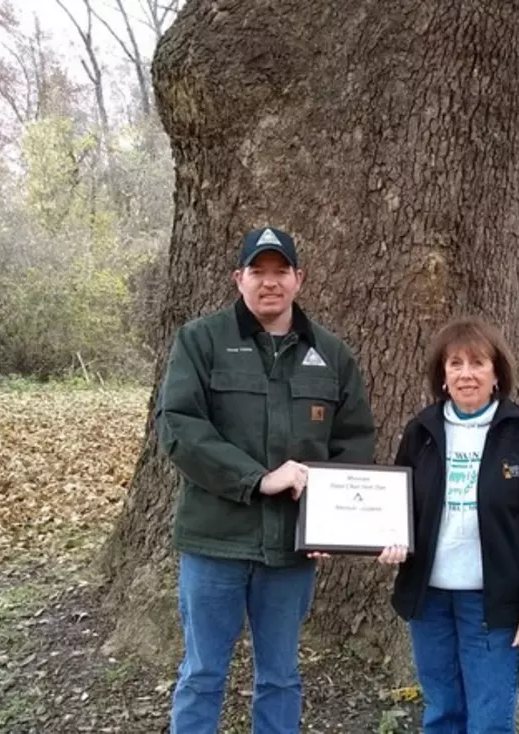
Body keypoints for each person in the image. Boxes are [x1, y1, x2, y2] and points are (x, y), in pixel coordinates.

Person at [155, 226, 379, 734]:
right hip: (215, 543)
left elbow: (354, 440)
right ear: (239, 278)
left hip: (289, 552)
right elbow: (180, 429)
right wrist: (257, 480)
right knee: (202, 673)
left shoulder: (332, 354)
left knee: (280, 677)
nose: (270, 283)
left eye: (281, 272)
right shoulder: (200, 341)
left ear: (299, 279)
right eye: (259, 271)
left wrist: (332, 521)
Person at [390, 316, 519, 734]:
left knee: (489, 720)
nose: (466, 374)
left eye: (478, 363)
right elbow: (397, 507)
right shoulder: (422, 432)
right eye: (455, 364)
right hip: (429, 599)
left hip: (492, 604)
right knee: (441, 713)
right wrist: (390, 540)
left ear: (497, 373)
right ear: (442, 375)